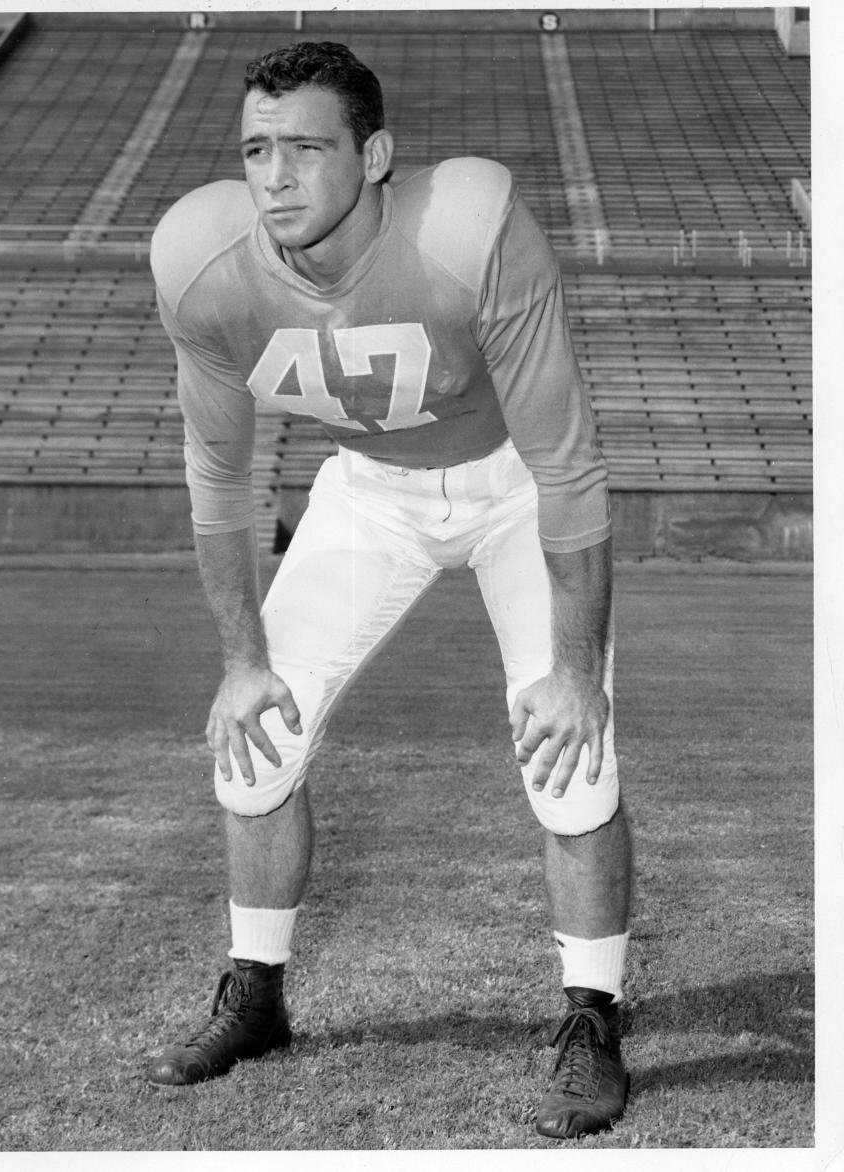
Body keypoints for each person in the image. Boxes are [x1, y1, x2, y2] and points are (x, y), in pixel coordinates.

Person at [146, 41, 634, 1140]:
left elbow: (567, 466)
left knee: (572, 755)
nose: (274, 176)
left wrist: (572, 670)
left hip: (514, 487)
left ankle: (593, 1013)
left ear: (375, 156)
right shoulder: (202, 259)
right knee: (258, 737)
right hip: (370, 493)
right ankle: (257, 990)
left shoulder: (464, 227)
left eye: (305, 148)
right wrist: (240, 660)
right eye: (256, 149)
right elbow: (219, 479)